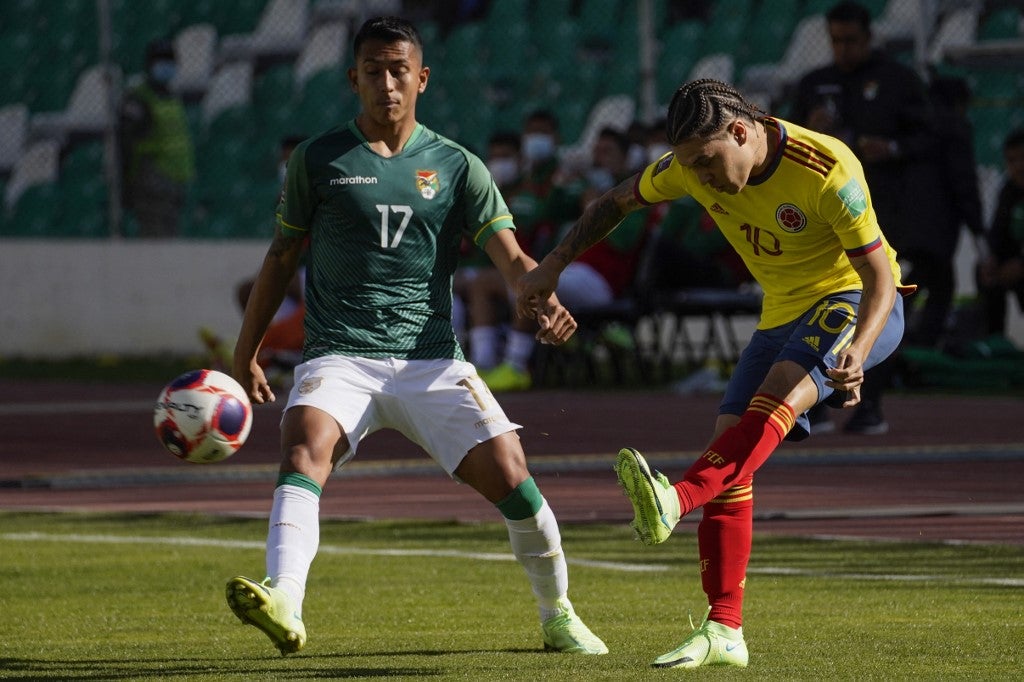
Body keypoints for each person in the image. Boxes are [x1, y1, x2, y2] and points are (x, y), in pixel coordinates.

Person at [223, 16, 606, 657]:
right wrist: (246, 351)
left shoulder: (458, 166)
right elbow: (281, 258)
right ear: (354, 79)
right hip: (340, 353)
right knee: (301, 452)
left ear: (421, 78)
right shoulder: (317, 160)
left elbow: (510, 257)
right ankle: (284, 599)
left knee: (514, 477)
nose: (387, 83)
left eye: (398, 70)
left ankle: (558, 612)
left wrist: (540, 299)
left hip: (429, 359)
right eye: (372, 71)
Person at [516, 78, 911, 669]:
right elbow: (612, 204)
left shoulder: (826, 168)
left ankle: (675, 500)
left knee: (771, 401)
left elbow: (880, 277)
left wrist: (858, 347)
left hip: (852, 301)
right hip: (780, 312)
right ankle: (725, 630)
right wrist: (550, 266)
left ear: (741, 131)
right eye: (689, 167)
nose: (698, 179)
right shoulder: (687, 163)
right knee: (731, 448)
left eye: (705, 163)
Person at [790, 0, 933, 434]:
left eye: (851, 40)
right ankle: (816, 400)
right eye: (835, 41)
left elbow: (928, 137)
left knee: (883, 306)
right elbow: (780, 143)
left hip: (883, 215)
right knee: (816, 303)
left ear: (869, 38)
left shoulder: (898, 81)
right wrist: (810, 130)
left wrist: (890, 149)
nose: (843, 49)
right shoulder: (815, 84)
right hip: (821, 220)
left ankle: (870, 403)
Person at [480, 126, 664, 390]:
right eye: (597, 152)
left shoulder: (638, 196)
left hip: (601, 284)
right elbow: (545, 217)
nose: (600, 158)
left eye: (608, 152)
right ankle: (483, 364)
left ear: (626, 158)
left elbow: (624, 243)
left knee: (529, 282)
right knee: (483, 282)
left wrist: (594, 209)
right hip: (571, 272)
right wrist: (563, 185)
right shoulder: (585, 190)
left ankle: (516, 366)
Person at [201, 136, 308, 381]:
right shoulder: (284, 200)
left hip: (325, 280)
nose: (286, 170)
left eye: (291, 164)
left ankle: (253, 352)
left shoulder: (325, 195)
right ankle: (273, 357)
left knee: (305, 314)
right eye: (284, 164)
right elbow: (283, 248)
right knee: (251, 291)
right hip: (301, 280)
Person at [119, 39, 196, 237]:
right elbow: (127, 142)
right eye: (160, 61)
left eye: (170, 60)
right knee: (155, 238)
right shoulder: (139, 98)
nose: (166, 66)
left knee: (170, 237)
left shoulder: (172, 96)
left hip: (175, 180)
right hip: (151, 178)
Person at [977, 128, 1024, 340]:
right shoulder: (1009, 191)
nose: (1018, 167)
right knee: (983, 273)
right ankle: (994, 341)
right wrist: (992, 260)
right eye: (1011, 161)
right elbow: (998, 232)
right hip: (1014, 266)